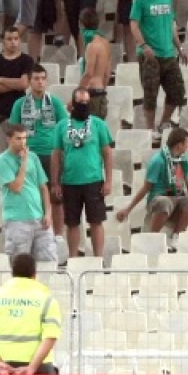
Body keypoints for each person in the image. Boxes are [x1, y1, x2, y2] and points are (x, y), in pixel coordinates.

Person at [0, 253, 61, 375]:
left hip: (2, 370)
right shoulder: (48, 301)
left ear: (12, 273)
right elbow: (50, 337)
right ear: (35, 274)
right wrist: (32, 367)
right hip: (39, 369)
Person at [51, 88, 112, 260]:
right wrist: (55, 182)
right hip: (70, 181)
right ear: (73, 103)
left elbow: (107, 153)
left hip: (94, 180)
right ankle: (73, 259)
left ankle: (98, 259)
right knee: (72, 222)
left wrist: (108, 180)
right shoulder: (62, 126)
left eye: (86, 102)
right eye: (80, 102)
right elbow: (56, 155)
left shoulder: (98, 124)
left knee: (96, 221)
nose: (83, 105)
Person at [9, 65, 68, 241]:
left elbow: (65, 127)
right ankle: (36, 232)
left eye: (43, 78)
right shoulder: (19, 104)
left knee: (56, 194)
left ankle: (58, 234)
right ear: (29, 81)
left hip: (51, 154)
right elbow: (13, 129)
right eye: (36, 78)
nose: (40, 82)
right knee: (32, 195)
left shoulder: (55, 102)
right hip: (28, 154)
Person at [116, 128, 188, 245]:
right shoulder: (158, 161)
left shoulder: (183, 160)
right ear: (179, 145)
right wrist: (128, 209)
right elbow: (146, 188)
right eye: (186, 143)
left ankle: (176, 236)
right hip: (158, 198)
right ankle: (153, 238)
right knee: (164, 202)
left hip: (177, 196)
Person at [130, 0, 186, 133]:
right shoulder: (140, 0)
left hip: (169, 53)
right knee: (150, 94)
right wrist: (143, 45)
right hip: (150, 55)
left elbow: (171, 25)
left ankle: (164, 122)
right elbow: (134, 25)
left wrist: (180, 47)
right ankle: (150, 130)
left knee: (177, 91)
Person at [0, 122, 56, 263]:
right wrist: (23, 162)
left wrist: (48, 213)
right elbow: (16, 187)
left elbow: (43, 187)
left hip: (39, 218)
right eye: (18, 138)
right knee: (19, 263)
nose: (22, 142)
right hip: (17, 220)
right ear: (9, 139)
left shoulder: (33, 157)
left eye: (24, 138)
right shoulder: (1, 161)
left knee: (48, 261)